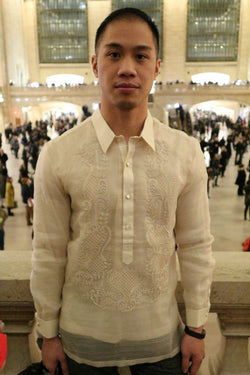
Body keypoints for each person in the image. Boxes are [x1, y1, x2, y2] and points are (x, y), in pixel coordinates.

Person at [30, 8, 214, 375]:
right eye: (114, 54)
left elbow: (195, 245)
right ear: (96, 65)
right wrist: (47, 333)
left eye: (141, 56)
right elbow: (48, 251)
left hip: (162, 341)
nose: (127, 67)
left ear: (156, 67)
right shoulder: (59, 154)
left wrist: (196, 326)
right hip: (79, 344)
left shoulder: (185, 152)